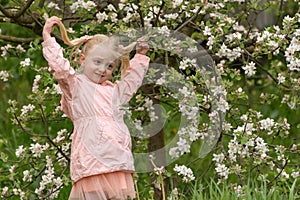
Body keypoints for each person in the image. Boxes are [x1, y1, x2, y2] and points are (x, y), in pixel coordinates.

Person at [42, 16, 150, 200]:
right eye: (97, 62)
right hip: (91, 165)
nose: (102, 69)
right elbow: (61, 69)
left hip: (117, 164)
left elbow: (131, 83)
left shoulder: (114, 92)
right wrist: (47, 38)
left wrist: (140, 56)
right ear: (83, 60)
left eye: (109, 66)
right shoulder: (76, 86)